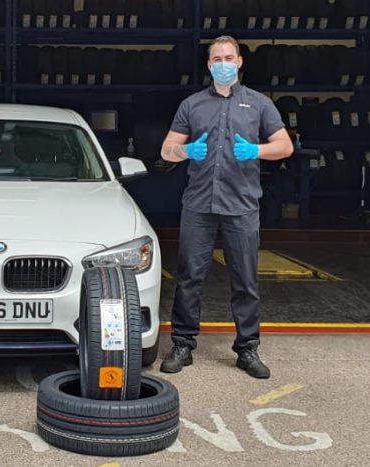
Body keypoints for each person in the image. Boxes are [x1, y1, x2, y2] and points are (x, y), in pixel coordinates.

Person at [159, 36, 293, 379]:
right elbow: (167, 150)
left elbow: (285, 146)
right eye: (216, 58)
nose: (223, 62)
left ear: (239, 61)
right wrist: (187, 152)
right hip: (199, 205)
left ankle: (247, 349)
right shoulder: (192, 105)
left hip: (242, 205)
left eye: (228, 57)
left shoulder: (260, 105)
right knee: (190, 277)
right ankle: (183, 345)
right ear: (208, 64)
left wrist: (258, 151)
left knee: (245, 280)